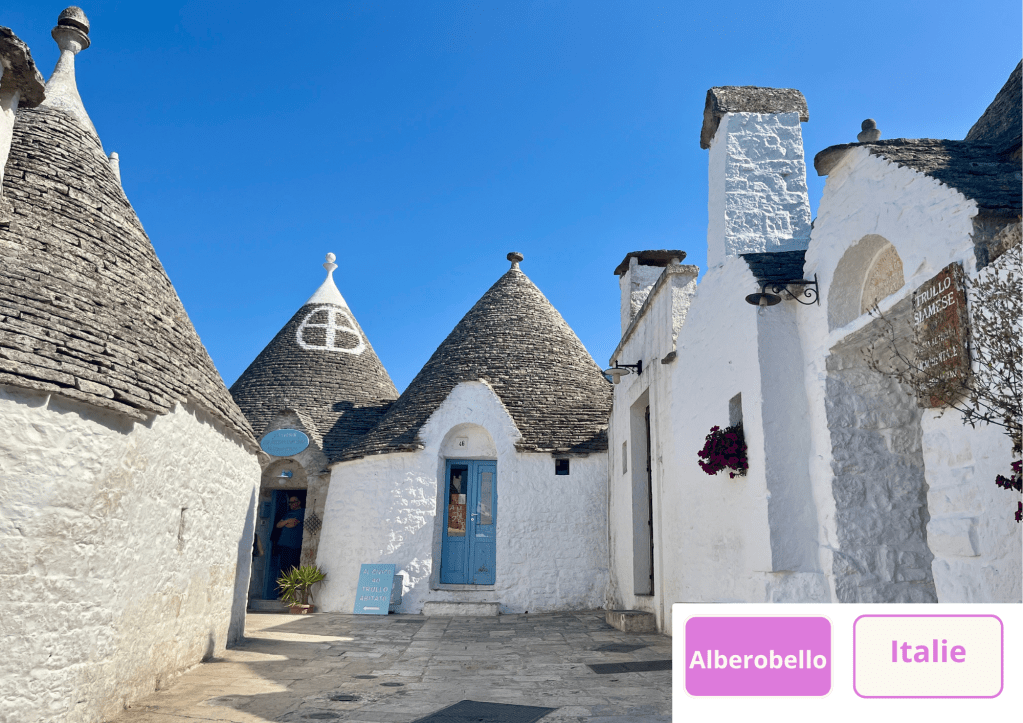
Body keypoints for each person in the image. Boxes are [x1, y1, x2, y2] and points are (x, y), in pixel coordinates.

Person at [275, 496, 304, 574]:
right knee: (283, 568)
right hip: (283, 544)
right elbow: (278, 525)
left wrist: (284, 522)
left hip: (294, 545)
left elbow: (292, 524)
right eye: (289, 503)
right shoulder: (288, 513)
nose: (290, 504)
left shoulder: (302, 512)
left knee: (292, 569)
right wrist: (287, 521)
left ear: (298, 502)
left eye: (292, 502)